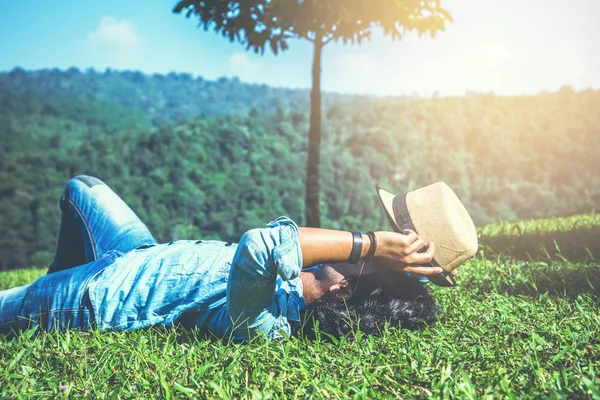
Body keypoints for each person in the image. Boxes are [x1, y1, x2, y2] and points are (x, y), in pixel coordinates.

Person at [0, 176, 454, 340]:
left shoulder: (267, 321)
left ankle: (44, 294)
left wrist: (371, 244)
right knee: (83, 187)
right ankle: (57, 273)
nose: (351, 249)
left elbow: (259, 244)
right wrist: (377, 254)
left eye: (359, 261)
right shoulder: (292, 278)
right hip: (140, 252)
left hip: (95, 296)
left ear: (345, 287)